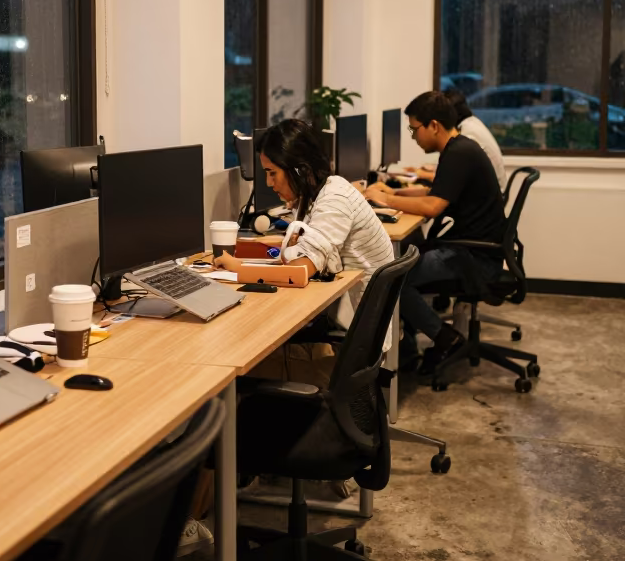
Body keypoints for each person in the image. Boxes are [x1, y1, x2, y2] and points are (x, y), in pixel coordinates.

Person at [365, 90, 505, 375]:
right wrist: (392, 191)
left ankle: (444, 338)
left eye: (414, 129)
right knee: (399, 266)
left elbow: (432, 206)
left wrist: (386, 199)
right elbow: (435, 192)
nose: (413, 137)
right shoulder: (459, 148)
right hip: (471, 249)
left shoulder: (459, 153)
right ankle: (409, 350)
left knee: (390, 279)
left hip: (473, 258)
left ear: (434, 126)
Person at [215, 119, 394, 331]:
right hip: (348, 317)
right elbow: (300, 254)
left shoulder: (334, 201)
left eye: (272, 173)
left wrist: (239, 268)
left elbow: (297, 273)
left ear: (300, 170)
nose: (269, 183)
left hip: (353, 326)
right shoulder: (323, 192)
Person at [406, 88, 507, 193]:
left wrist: (421, 174)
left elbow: (453, 176)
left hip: (489, 194)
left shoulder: (466, 137)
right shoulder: (470, 124)